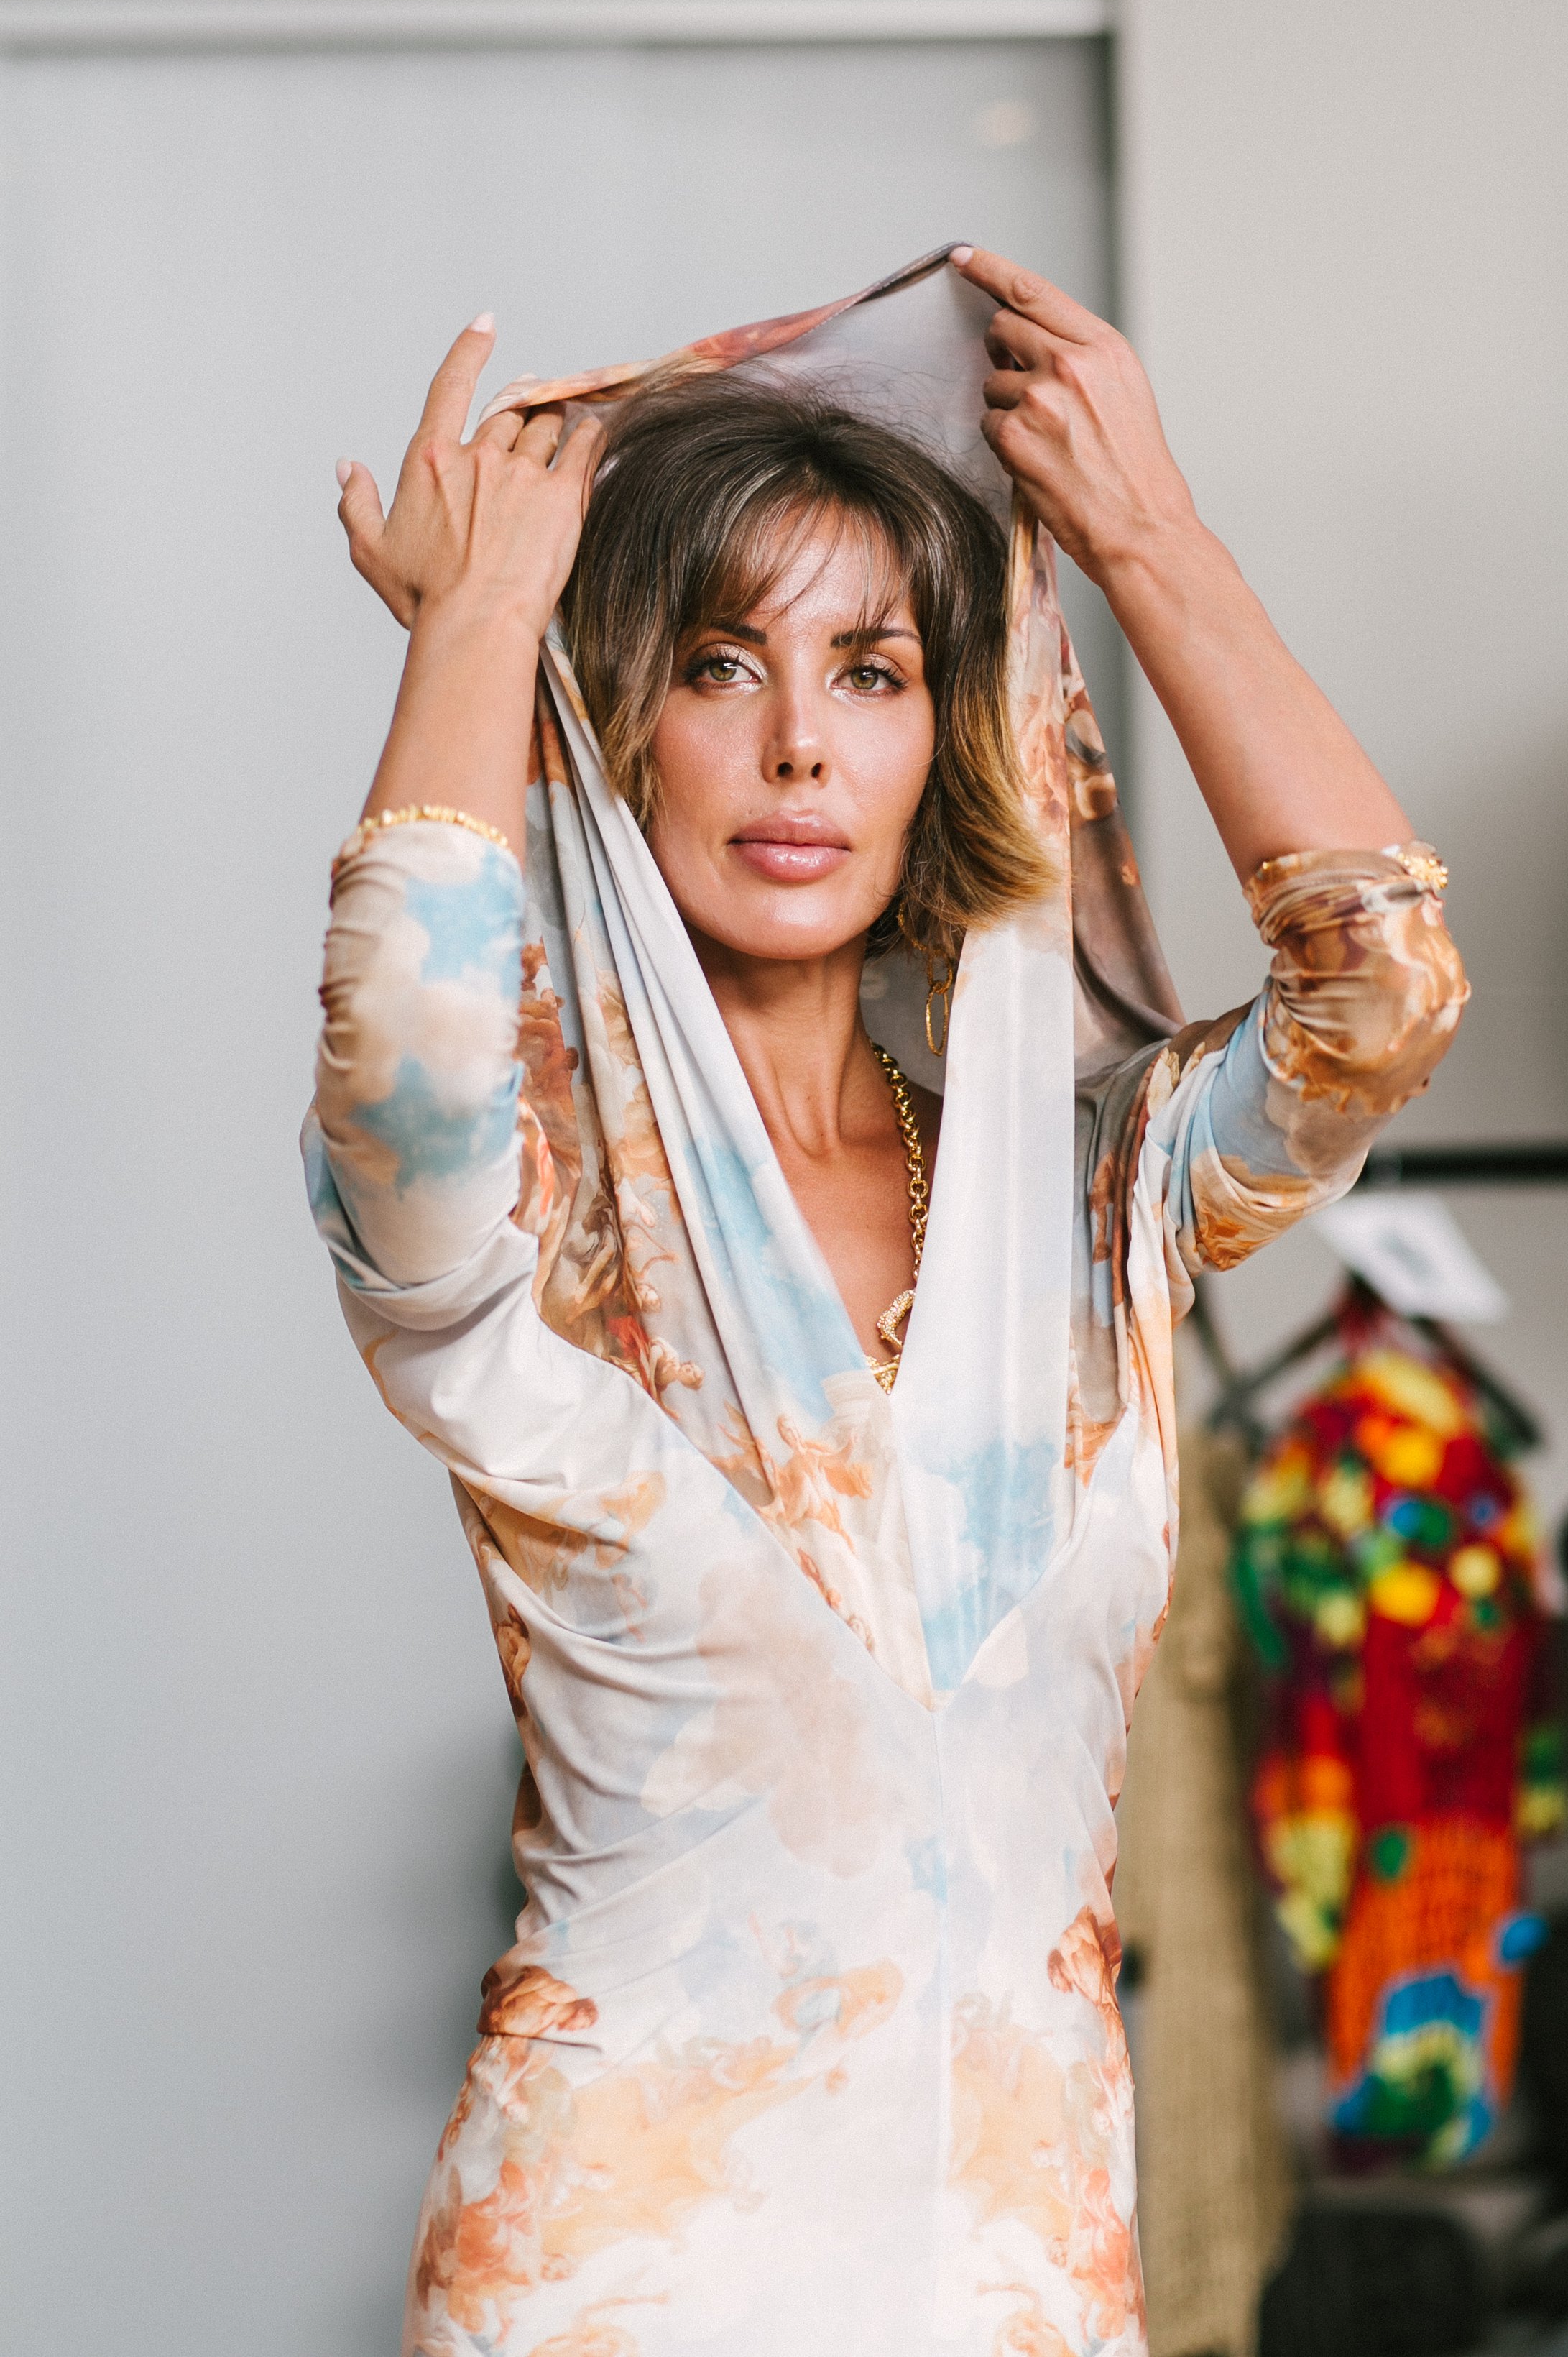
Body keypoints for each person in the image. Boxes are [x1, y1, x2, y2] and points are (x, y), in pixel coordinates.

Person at [306, 244, 1467, 2357]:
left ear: (951, 730)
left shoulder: (1086, 1204)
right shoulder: (521, 1232)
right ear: (618, 719)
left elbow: (1376, 1001)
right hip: (622, 2282)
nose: (796, 746)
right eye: (718, 662)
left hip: (1023, 2272)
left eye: (868, 668)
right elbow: (404, 1061)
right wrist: (482, 627)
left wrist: (1148, 541)